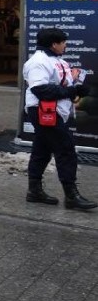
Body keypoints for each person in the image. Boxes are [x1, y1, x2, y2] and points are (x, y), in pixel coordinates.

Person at [23, 28, 95, 210]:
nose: (66, 45)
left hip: (54, 112)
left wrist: (79, 88)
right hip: (43, 111)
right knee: (66, 149)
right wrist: (71, 91)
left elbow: (63, 85)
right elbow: (41, 90)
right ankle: (71, 196)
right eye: (63, 42)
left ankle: (34, 191)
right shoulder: (37, 62)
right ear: (54, 44)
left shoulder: (57, 61)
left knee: (42, 149)